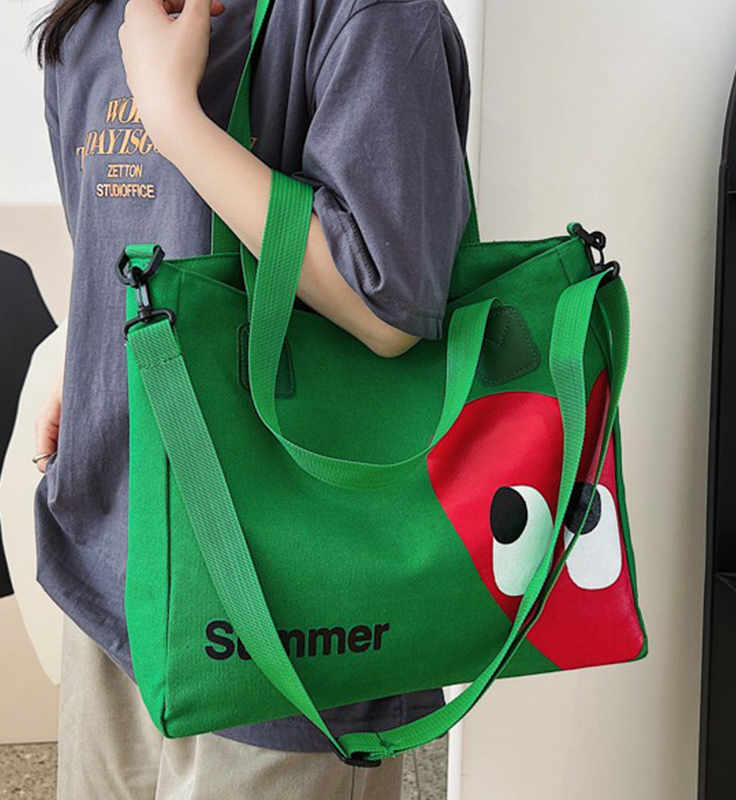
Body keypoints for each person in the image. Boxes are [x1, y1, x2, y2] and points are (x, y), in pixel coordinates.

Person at [29, 0, 472, 797]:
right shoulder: (91, 22)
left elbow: (387, 306)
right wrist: (83, 346)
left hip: (287, 602)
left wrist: (175, 117)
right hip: (114, 552)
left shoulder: (366, 16)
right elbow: (117, 231)